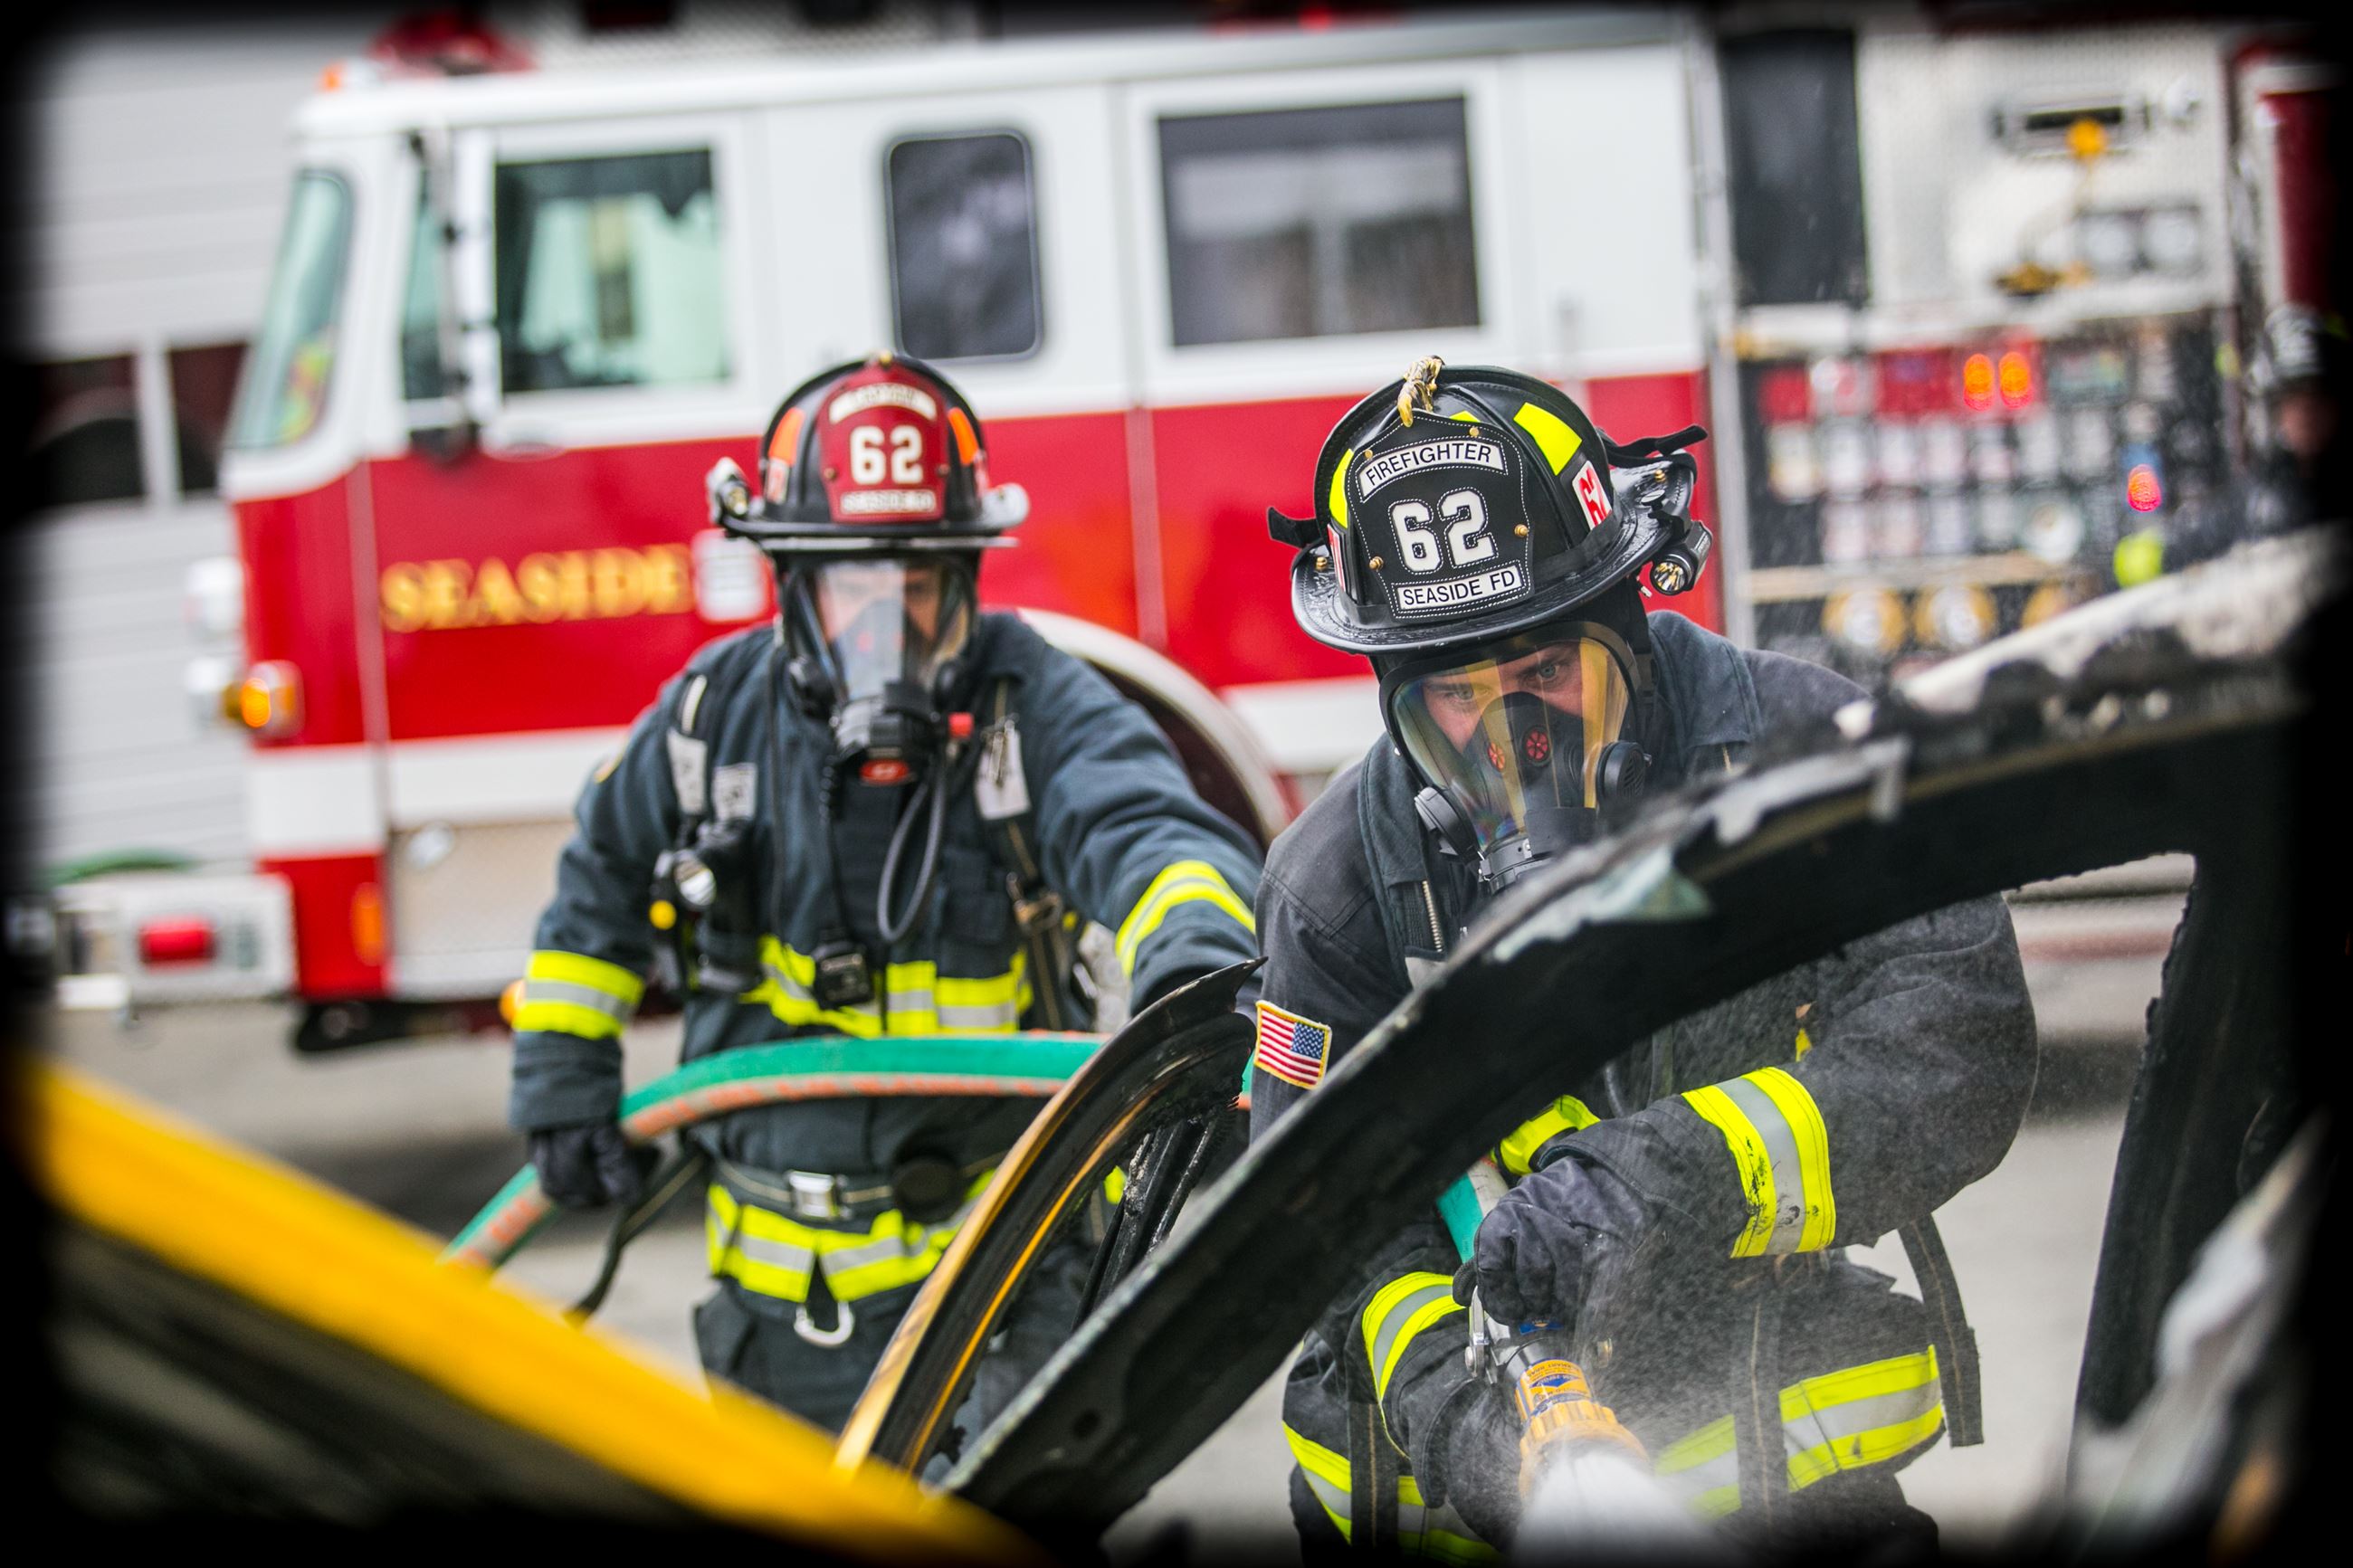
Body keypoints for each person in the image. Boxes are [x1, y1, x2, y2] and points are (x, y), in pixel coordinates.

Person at [1252, 359, 2037, 1555]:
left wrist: (1657, 1182)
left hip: (1792, 1486)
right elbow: (1314, 1222)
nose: (1513, 736)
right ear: (1393, 699)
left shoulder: (1802, 761)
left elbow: (1961, 1038)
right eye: (1455, 696)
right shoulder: (1342, 890)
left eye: (1546, 674)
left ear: (1627, 633)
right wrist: (1470, 1425)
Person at [507, 353, 1262, 1435]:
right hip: (785, 1308)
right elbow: (601, 877)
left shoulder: (1027, 703)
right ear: (790, 585)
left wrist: (1190, 963)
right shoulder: (709, 720)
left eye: (920, 585)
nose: (887, 628)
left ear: (966, 578)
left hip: (1002, 1291)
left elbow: (1148, 827)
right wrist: (561, 1064)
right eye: (851, 587)